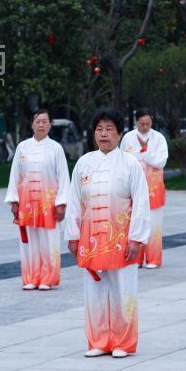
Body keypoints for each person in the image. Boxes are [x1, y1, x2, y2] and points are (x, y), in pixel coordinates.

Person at [65, 109, 151, 358]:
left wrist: (136, 238)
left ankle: (123, 342)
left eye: (109, 129)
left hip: (121, 239)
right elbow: (74, 200)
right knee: (95, 291)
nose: (103, 134)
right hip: (91, 239)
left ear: (120, 133)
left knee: (123, 289)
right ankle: (99, 341)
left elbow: (141, 202)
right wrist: (72, 235)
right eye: (99, 129)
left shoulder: (130, 163)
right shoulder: (84, 163)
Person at [6, 109, 70, 290]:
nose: (41, 125)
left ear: (50, 124)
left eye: (44, 121)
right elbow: (14, 175)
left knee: (49, 242)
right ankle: (31, 278)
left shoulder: (56, 148)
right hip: (26, 203)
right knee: (29, 243)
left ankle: (47, 279)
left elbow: (64, 177)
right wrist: (14, 200)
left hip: (48, 204)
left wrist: (61, 203)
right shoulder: (22, 147)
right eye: (37, 121)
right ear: (32, 124)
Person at [120, 108, 169, 269]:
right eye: (141, 124)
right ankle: (137, 258)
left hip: (154, 187)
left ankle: (153, 259)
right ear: (136, 122)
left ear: (152, 122)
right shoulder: (128, 138)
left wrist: (145, 152)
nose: (145, 127)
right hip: (133, 189)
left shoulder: (159, 138)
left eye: (148, 124)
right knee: (135, 223)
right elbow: (122, 161)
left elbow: (161, 162)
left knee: (154, 225)